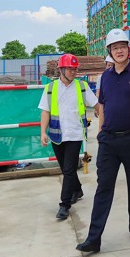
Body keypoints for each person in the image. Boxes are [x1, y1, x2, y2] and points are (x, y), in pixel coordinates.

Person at [76, 29, 130, 254]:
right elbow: (102, 106)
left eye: (122, 46)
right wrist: (101, 131)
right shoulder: (106, 77)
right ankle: (94, 238)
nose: (119, 50)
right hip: (109, 141)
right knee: (103, 187)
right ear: (109, 51)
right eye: (114, 47)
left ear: (128, 49)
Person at [39, 53, 99, 220]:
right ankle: (77, 190)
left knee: (68, 170)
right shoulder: (50, 88)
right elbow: (45, 111)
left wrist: (104, 118)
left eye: (75, 69)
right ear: (61, 70)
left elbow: (97, 105)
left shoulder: (82, 86)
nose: (73, 72)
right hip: (56, 135)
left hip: (75, 134)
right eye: (70, 69)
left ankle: (64, 205)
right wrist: (43, 132)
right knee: (67, 170)